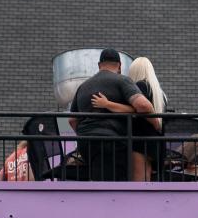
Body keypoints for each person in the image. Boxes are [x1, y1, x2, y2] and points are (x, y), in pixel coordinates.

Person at [69, 48, 154, 182]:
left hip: (85, 144)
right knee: (113, 188)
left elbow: (72, 120)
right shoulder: (122, 80)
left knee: (98, 181)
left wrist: (85, 134)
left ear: (99, 65)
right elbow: (144, 106)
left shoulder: (83, 86)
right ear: (120, 66)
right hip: (112, 141)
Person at [126, 57, 167, 181]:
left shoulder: (140, 86)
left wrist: (108, 105)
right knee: (147, 178)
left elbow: (137, 108)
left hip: (140, 140)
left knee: (139, 181)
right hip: (155, 142)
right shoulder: (159, 93)